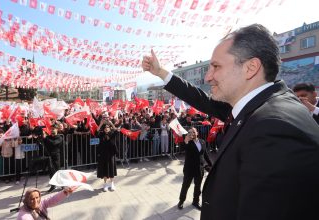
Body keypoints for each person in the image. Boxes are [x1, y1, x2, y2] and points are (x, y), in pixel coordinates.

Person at [142, 24, 319, 220]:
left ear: (250, 68)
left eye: (216, 66)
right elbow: (202, 99)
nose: (208, 77)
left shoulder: (275, 128)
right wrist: (161, 72)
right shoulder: (255, 106)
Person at [177, 127, 212, 210]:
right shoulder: (188, 142)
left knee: (198, 186)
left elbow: (205, 154)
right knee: (185, 186)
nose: (191, 133)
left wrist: (211, 164)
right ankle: (181, 201)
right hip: (189, 169)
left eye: (193, 132)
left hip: (200, 168)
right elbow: (182, 148)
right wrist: (185, 141)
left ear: (197, 133)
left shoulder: (202, 142)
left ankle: (195, 201)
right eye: (189, 132)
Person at [96, 118, 118, 192]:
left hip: (111, 154)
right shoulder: (101, 134)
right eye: (105, 128)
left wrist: (111, 123)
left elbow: (116, 130)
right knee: (104, 170)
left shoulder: (112, 134)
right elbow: (97, 131)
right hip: (103, 155)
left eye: (107, 128)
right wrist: (101, 123)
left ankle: (112, 184)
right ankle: (105, 185)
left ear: (109, 128)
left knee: (111, 169)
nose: (106, 129)